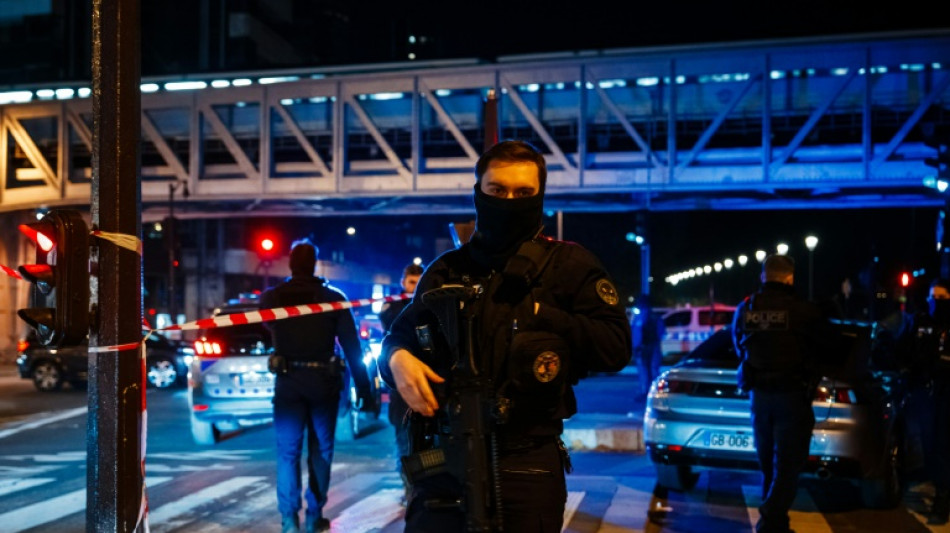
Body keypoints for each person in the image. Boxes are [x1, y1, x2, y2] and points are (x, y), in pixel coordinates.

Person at [378, 140, 632, 532]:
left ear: (540, 196)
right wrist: (397, 358)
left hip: (527, 462)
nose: (509, 202)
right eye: (497, 190)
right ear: (478, 192)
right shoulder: (446, 270)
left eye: (523, 193)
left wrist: (541, 315)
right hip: (446, 459)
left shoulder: (568, 265)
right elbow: (398, 338)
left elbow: (615, 347)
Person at [260, 239, 375, 533]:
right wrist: (365, 390)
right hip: (323, 383)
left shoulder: (273, 298)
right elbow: (352, 348)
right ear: (315, 265)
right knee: (321, 451)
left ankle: (289, 520)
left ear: (290, 264)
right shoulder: (333, 298)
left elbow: (264, 323)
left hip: (288, 383)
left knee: (288, 453)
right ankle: (314, 516)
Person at [732, 254, 829, 533]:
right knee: (789, 465)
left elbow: (739, 346)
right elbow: (826, 346)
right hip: (792, 396)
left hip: (759, 397)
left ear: (763, 276)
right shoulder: (804, 311)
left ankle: (776, 525)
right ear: (790, 278)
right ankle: (770, 515)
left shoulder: (746, 307)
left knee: (768, 465)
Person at [897, 278, 950, 523]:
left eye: (942, 298)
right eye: (932, 297)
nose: (935, 303)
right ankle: (940, 491)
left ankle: (942, 499)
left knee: (943, 445)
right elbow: (902, 351)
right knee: (930, 446)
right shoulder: (918, 322)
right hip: (925, 393)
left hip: (947, 391)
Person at [378, 262, 423, 503]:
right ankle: (409, 488)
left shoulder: (427, 301)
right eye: (411, 283)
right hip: (400, 384)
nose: (414, 288)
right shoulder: (393, 305)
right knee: (404, 441)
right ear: (403, 283)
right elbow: (389, 324)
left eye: (418, 283)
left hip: (425, 379)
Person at [631, 294, 666, 399]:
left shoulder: (638, 318)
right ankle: (654, 393)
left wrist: (635, 348)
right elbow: (661, 333)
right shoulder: (656, 317)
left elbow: (636, 335)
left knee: (644, 371)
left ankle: (646, 392)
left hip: (643, 348)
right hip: (653, 347)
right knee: (653, 370)